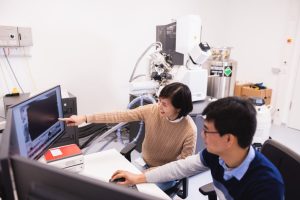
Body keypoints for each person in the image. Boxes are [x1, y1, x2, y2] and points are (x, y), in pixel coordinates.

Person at [111, 96, 285, 200]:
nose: (202, 136)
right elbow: (181, 167)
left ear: (229, 139)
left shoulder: (267, 185)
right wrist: (138, 178)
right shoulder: (216, 154)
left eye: (207, 131)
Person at [60, 82, 197, 190]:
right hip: (143, 163)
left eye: (165, 104)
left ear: (178, 108)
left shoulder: (189, 130)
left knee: (138, 192)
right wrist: (84, 118)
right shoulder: (153, 110)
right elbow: (120, 115)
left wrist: (143, 176)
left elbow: (183, 167)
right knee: (115, 185)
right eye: (159, 101)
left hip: (165, 174)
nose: (159, 106)